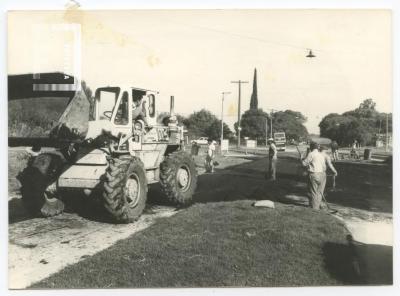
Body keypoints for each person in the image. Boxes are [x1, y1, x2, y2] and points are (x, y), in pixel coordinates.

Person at [302, 142, 338, 210]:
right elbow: (325, 166)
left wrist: (301, 159)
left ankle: (315, 208)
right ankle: (317, 206)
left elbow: (304, 164)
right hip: (322, 174)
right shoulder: (321, 155)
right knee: (319, 192)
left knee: (313, 191)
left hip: (314, 174)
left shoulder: (311, 154)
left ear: (311, 148)